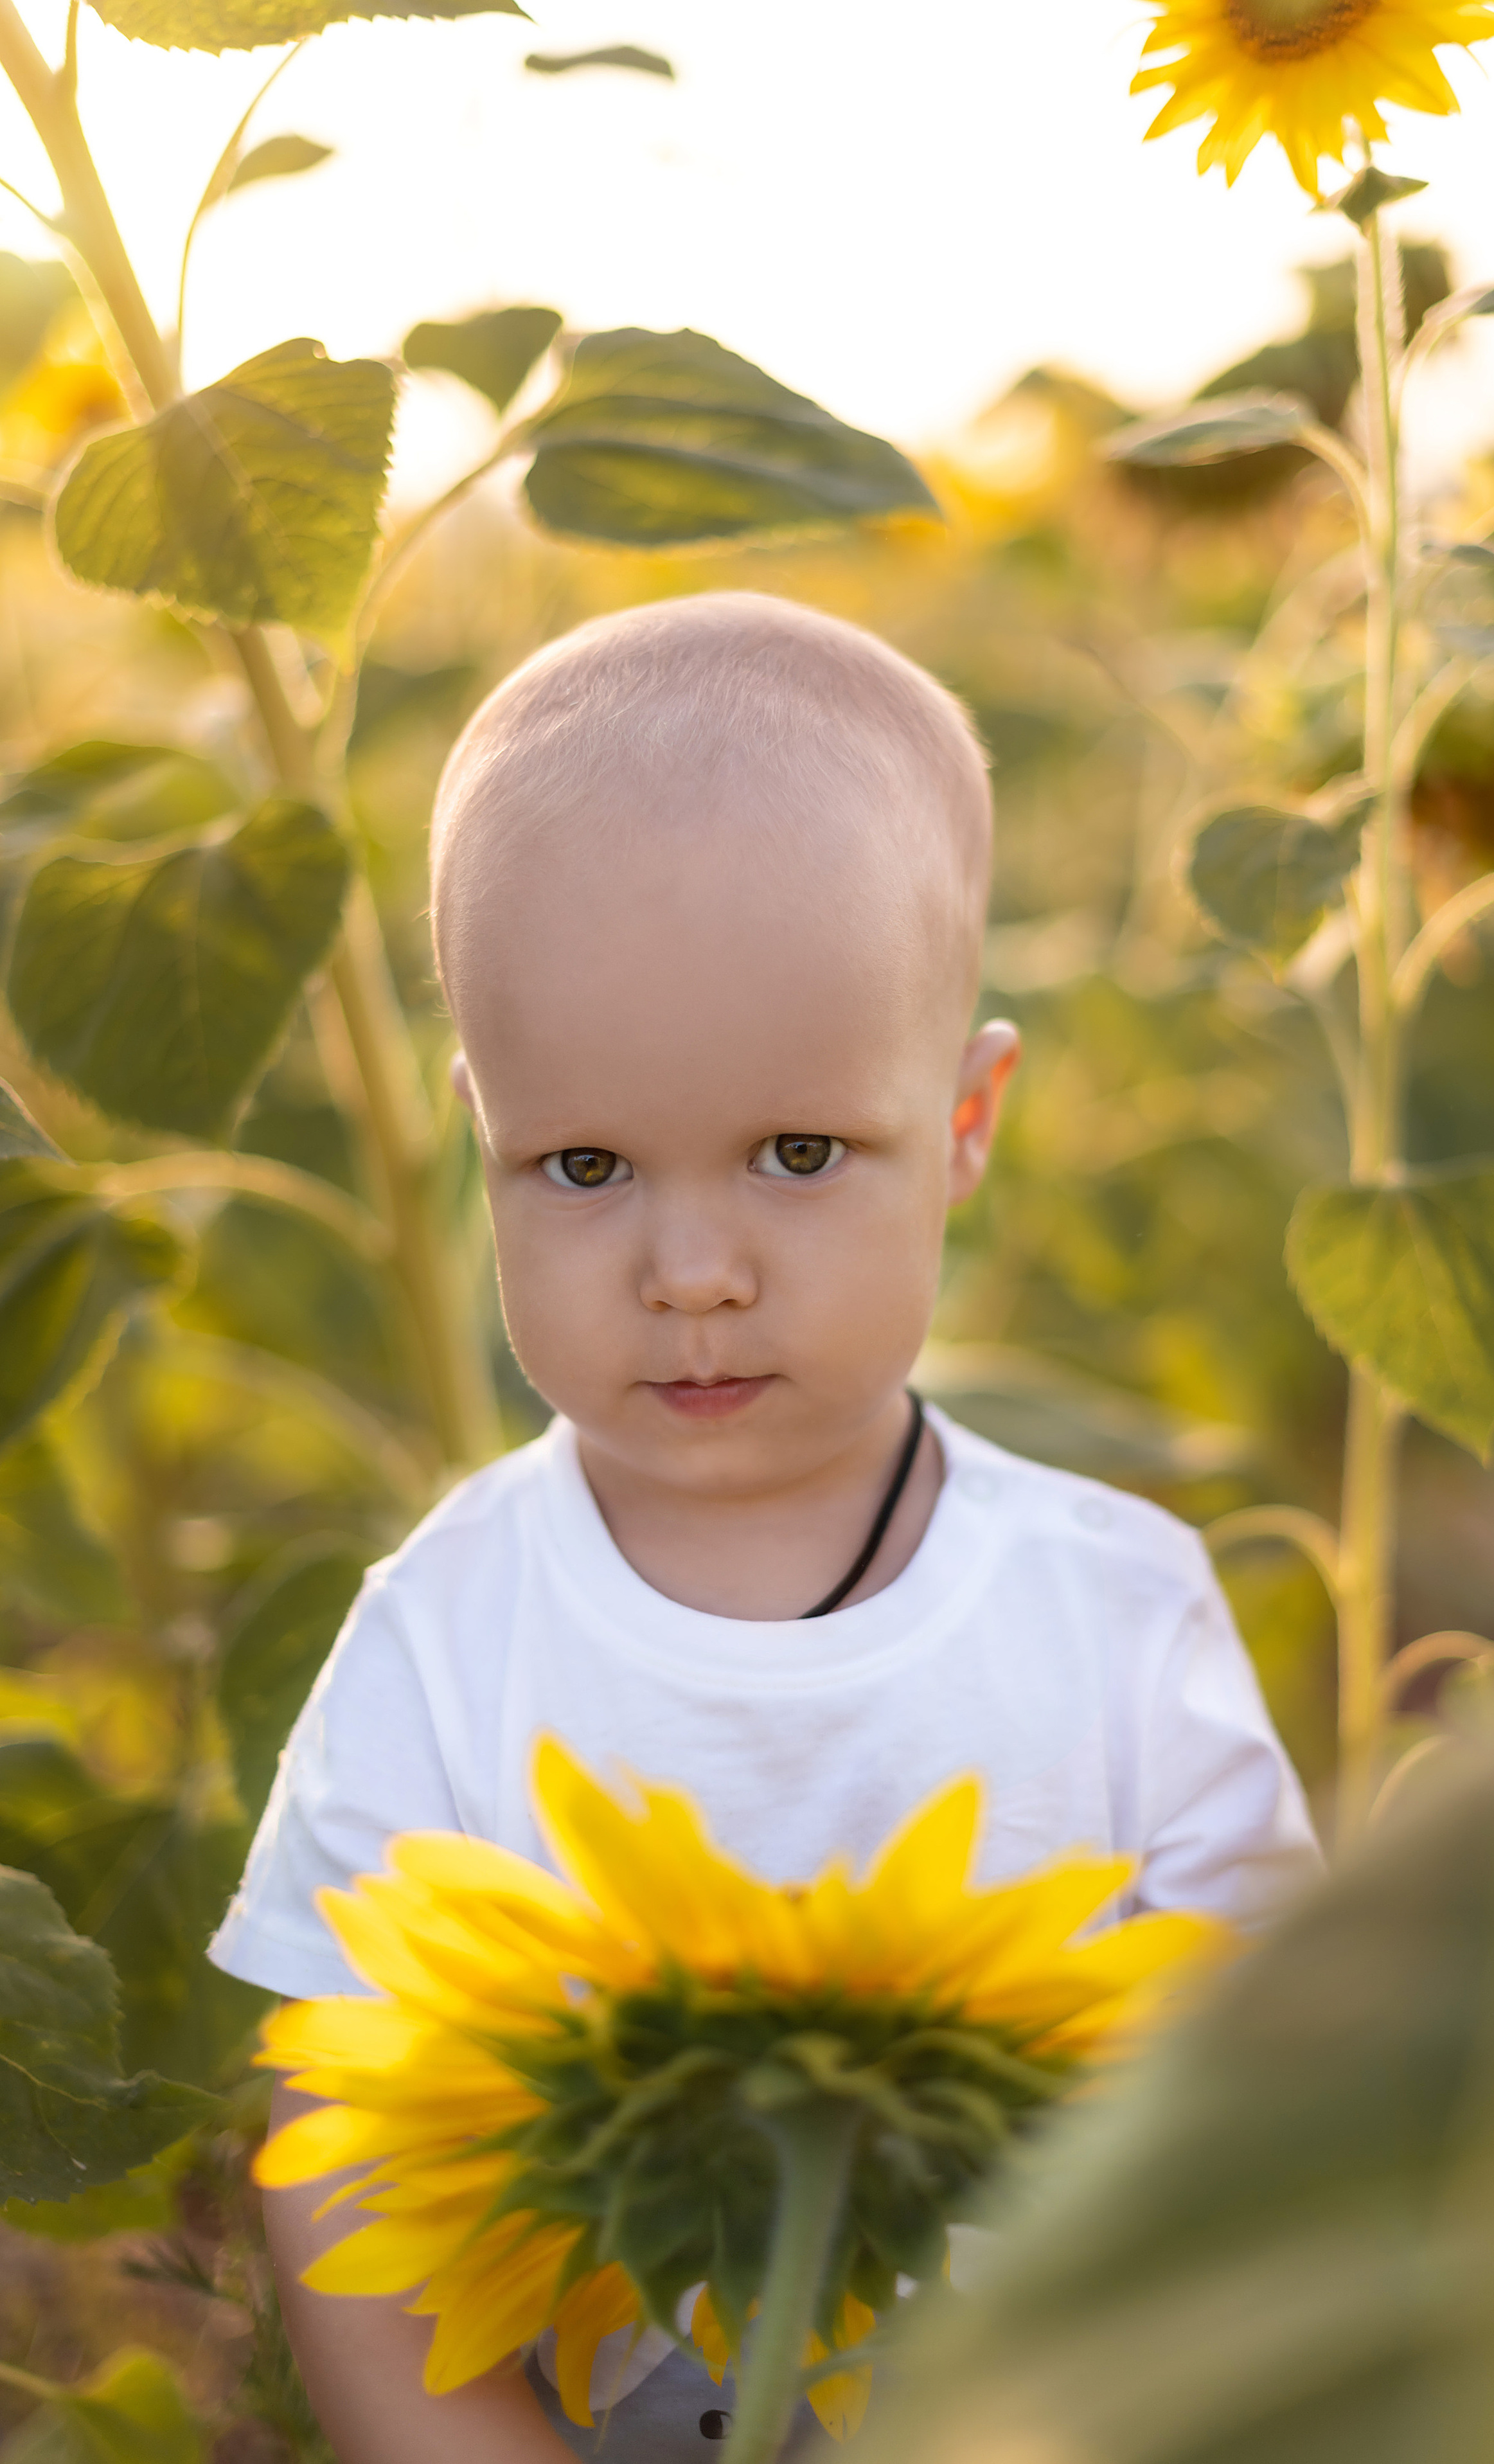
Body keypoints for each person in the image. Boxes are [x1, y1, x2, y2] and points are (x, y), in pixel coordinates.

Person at [210, 591, 1321, 2464]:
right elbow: (341, 2172)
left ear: (965, 1123)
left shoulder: (1118, 1612)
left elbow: (1279, 2109)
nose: (695, 1273)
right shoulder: (446, 1627)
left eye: (798, 1154)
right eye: (585, 1167)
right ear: (477, 1132)